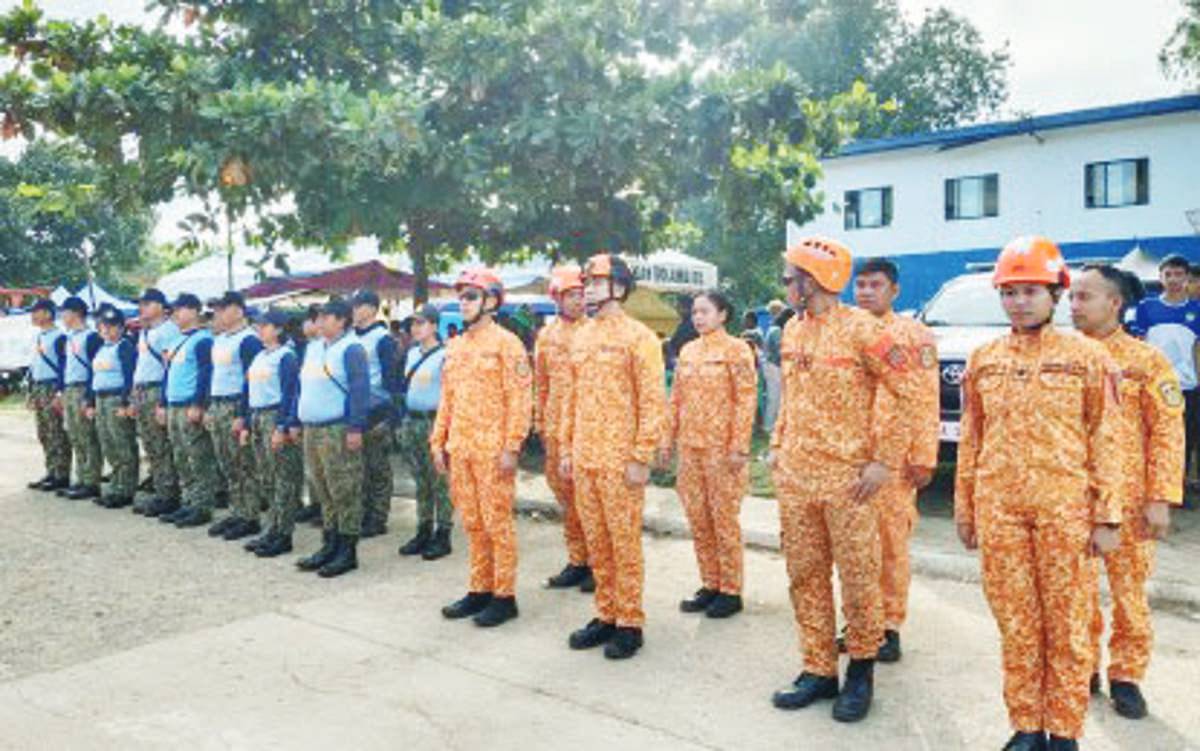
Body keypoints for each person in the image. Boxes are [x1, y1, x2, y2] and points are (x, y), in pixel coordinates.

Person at [956, 236, 1122, 751]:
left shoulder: (1090, 358)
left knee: (1068, 626)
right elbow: (971, 437)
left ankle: (1065, 731)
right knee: (1017, 623)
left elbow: (1107, 436)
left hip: (1065, 512)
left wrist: (1108, 516)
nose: (1019, 301)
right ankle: (1027, 726)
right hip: (1000, 509)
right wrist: (966, 508)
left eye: (1030, 291)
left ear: (1056, 293)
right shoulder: (983, 358)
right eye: (1009, 292)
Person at [767, 237, 929, 724]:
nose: (786, 286)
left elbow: (907, 393)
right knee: (804, 575)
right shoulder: (793, 331)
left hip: (848, 480)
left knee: (859, 577)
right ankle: (818, 668)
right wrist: (777, 446)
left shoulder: (864, 330)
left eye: (790, 277)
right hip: (797, 475)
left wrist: (884, 461)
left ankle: (860, 670)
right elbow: (791, 399)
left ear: (813, 281)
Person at [1070, 265, 1185, 720]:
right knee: (1075, 591)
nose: (1073, 306)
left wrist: (1160, 496)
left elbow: (1167, 433)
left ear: (1114, 304)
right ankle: (1083, 669)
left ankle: (1126, 676)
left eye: (1084, 297)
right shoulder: (1061, 356)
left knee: (1128, 593)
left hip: (1132, 499)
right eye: (1072, 297)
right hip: (1073, 498)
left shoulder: (1147, 361)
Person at [558, 253, 666, 660]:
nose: (587, 289)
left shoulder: (640, 338)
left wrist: (642, 456)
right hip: (585, 457)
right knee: (597, 542)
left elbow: (653, 401)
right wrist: (568, 449)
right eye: (585, 282)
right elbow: (572, 398)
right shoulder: (581, 336)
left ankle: (630, 622)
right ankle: (605, 614)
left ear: (619, 286)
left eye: (595, 281)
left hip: (621, 461)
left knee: (623, 544)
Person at [431, 269, 532, 628]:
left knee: (497, 524)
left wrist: (512, 446)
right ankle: (479, 589)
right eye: (461, 296)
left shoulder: (508, 344)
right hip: (461, 448)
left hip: (493, 450)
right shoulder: (455, 345)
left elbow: (519, 399)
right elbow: (447, 398)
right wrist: (438, 441)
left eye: (471, 296)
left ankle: (504, 596)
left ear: (491, 301)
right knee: (473, 523)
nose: (464, 303)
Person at [850, 258, 940, 663]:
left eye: (876, 285)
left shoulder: (914, 334)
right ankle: (858, 621)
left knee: (890, 543)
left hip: (895, 459)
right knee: (854, 545)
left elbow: (924, 397)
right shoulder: (845, 328)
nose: (867, 291)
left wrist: (923, 454)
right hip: (849, 455)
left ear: (895, 291)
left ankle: (889, 624)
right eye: (862, 284)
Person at [662, 290, 756, 619]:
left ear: (723, 315)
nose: (698, 317)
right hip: (691, 449)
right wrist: (667, 440)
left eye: (705, 311)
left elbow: (746, 400)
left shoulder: (737, 350)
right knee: (699, 519)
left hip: (722, 450)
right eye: (695, 313)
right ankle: (710, 583)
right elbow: (676, 399)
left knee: (723, 520)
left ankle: (731, 590)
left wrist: (739, 447)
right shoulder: (687, 351)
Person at [295, 298, 370, 578]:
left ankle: (347, 551)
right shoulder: (313, 349)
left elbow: (359, 391)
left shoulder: (351, 349)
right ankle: (329, 544)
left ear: (342, 321)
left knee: (344, 489)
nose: (320, 321)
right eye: (318, 317)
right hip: (312, 428)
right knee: (322, 489)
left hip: (337, 429)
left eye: (326, 317)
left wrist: (355, 428)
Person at [535, 265, 594, 592]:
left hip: (586, 428)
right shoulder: (546, 336)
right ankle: (577, 560)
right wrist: (540, 424)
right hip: (556, 430)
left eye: (582, 294)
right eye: (572, 295)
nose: (578, 300)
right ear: (557, 298)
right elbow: (541, 384)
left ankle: (598, 564)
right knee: (566, 498)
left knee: (588, 499)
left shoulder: (594, 332)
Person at [1132, 254, 1200, 486]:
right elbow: (1138, 345)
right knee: (1152, 436)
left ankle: (1177, 486)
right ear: (1160, 278)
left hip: (1186, 386)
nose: (1173, 279)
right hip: (1154, 385)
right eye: (1168, 274)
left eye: (1179, 274)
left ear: (1188, 278)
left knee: (1185, 437)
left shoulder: (1196, 309)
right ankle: (1153, 485)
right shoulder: (1146, 307)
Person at [241, 309, 304, 558]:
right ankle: (272, 528)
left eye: (265, 325)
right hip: (257, 416)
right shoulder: (259, 356)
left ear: (278, 329)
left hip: (274, 415)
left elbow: (291, 393)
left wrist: (283, 426)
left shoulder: (286, 356)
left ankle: (284, 533)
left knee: (283, 478)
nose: (260, 329)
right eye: (259, 325)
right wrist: (246, 423)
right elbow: (248, 390)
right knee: (267, 476)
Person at [156, 293, 220, 528]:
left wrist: (198, 404)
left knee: (198, 456)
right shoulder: (174, 341)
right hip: (173, 405)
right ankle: (189, 500)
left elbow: (206, 374)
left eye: (180, 309)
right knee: (181, 456)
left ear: (194, 311)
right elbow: (167, 374)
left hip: (189, 405)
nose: (176, 314)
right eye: (173, 310)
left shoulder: (203, 340)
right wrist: (162, 403)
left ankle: (202, 505)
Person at [205, 292, 264, 541]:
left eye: (223, 308)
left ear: (239, 310)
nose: (217, 313)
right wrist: (209, 406)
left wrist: (244, 415)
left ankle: (250, 515)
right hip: (218, 404)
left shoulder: (249, 340)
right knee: (226, 462)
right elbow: (214, 376)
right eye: (217, 309)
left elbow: (252, 381)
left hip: (235, 406)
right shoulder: (219, 340)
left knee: (243, 463)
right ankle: (237, 510)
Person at [396, 304, 453, 560]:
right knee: (421, 479)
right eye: (413, 323)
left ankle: (443, 532)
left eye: (421, 323)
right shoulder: (411, 353)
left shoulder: (446, 355)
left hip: (434, 422)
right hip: (413, 422)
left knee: (439, 480)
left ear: (434, 325)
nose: (414, 328)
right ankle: (423, 528)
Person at [351, 289, 400, 539]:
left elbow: (392, 380)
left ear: (371, 308)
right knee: (358, 468)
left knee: (378, 468)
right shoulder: (350, 337)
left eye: (359, 305)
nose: (354, 310)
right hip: (354, 413)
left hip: (377, 411)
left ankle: (378, 517)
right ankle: (362, 513)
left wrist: (391, 418)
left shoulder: (383, 339)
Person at [130, 289, 182, 517]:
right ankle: (160, 488)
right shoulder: (145, 331)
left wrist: (163, 400)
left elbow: (170, 367)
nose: (142, 307)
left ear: (161, 306)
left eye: (147, 303)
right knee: (150, 443)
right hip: (142, 390)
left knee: (161, 444)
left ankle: (169, 494)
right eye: (140, 304)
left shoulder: (169, 330)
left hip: (156, 389)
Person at [87, 307, 138, 509]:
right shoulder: (102, 348)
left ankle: (126, 489)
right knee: (108, 444)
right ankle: (116, 485)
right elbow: (95, 378)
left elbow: (129, 376)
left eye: (112, 326)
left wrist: (126, 402)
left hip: (116, 398)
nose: (107, 330)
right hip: (101, 399)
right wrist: (90, 401)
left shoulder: (124, 347)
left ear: (121, 327)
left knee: (122, 443)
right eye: (103, 326)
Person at [56, 296, 103, 501]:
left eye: (64, 312)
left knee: (88, 437)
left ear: (75, 313)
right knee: (75, 435)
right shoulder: (69, 338)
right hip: (70, 389)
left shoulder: (91, 337)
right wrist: (61, 391)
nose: (62, 316)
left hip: (84, 388)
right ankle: (81, 478)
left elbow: (95, 369)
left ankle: (91, 481)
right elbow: (65, 367)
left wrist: (90, 399)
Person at [26, 298, 71, 492]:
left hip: (52, 386)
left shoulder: (59, 337)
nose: (33, 315)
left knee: (56, 432)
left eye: (37, 311)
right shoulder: (39, 337)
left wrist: (60, 392)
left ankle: (62, 474)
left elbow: (63, 366)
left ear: (48, 313)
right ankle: (51, 471)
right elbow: (35, 366)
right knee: (44, 432)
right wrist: (30, 391)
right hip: (39, 387)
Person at [295, 304, 324, 526]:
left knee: (329, 471)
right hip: (309, 417)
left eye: (310, 319)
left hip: (330, 422)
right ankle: (316, 505)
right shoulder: (310, 347)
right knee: (313, 468)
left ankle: (326, 510)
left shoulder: (340, 346)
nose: (305, 325)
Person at [665, 295, 697, 371]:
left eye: (679, 307)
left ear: (688, 308)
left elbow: (680, 342)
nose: (677, 310)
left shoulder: (691, 324)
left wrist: (668, 346)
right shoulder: (685, 323)